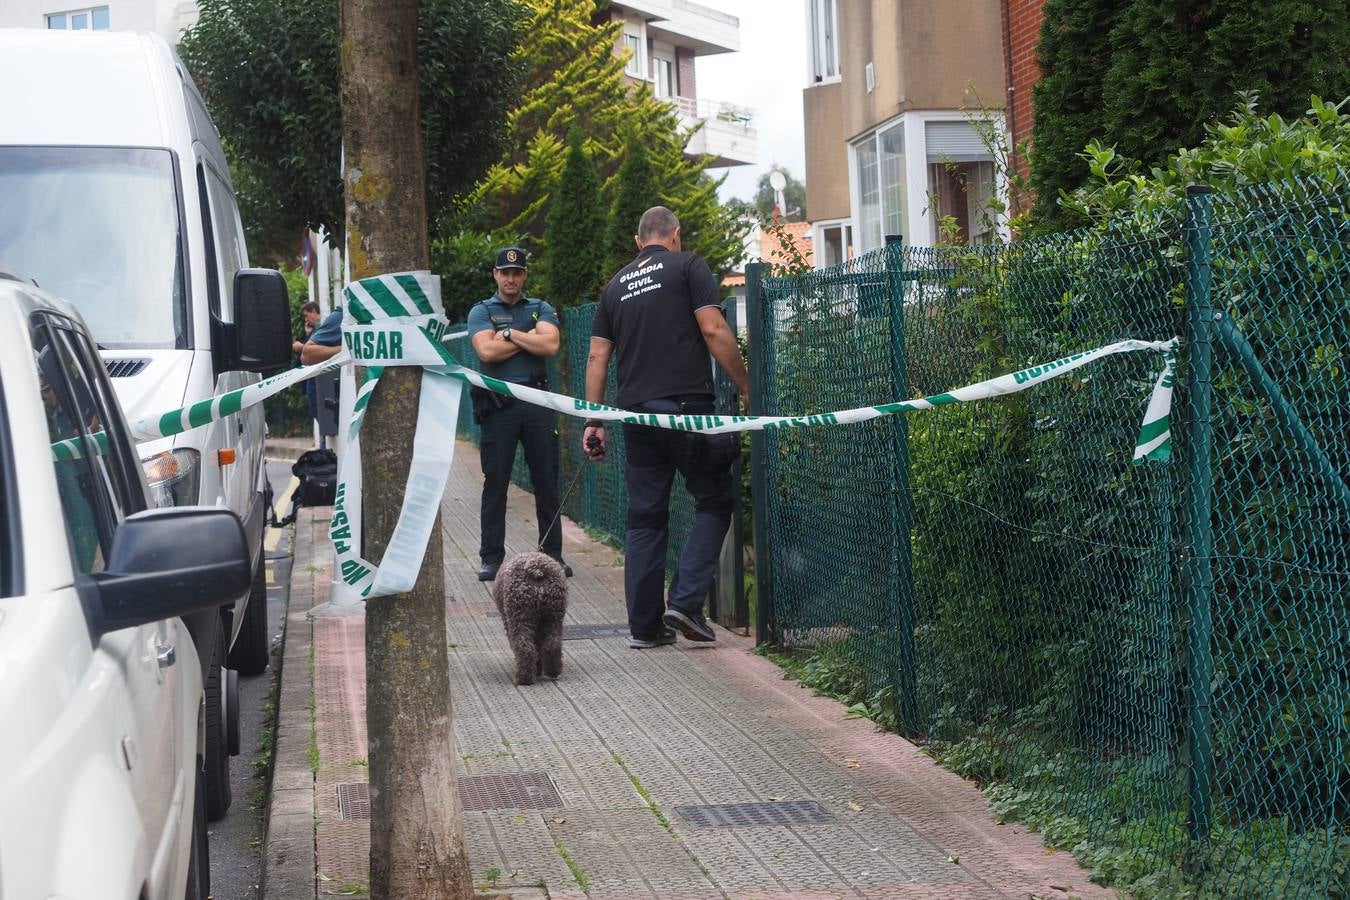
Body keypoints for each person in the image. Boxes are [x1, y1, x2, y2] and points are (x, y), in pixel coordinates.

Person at [583, 207, 749, 649]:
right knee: (715, 499)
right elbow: (713, 330)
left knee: (645, 518)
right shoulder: (689, 266)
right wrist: (747, 386)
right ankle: (686, 602)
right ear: (675, 234)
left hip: (636, 416)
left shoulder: (614, 287)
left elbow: (597, 357)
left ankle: (645, 629)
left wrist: (594, 420)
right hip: (686, 410)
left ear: (639, 242)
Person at [467, 247, 571, 582]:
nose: (511, 279)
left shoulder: (541, 307)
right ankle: (492, 559)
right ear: (495, 274)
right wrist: (530, 336)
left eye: (517, 273)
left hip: (537, 401)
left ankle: (552, 555)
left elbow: (551, 346)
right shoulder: (481, 311)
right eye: (504, 272)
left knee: (546, 481)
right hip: (499, 404)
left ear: (525, 275)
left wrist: (510, 333)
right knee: (495, 482)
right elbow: (486, 351)